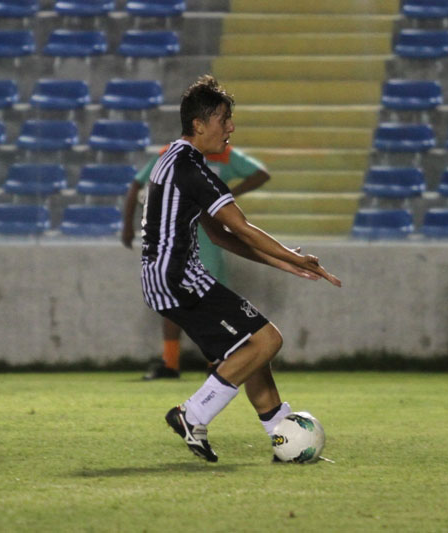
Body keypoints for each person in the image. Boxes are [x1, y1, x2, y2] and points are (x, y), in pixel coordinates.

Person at [139, 75, 341, 462]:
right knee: (267, 340)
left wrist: (284, 262)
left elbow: (221, 237)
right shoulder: (190, 168)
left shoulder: (178, 159)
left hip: (164, 275)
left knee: (249, 351)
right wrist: (293, 257)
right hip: (176, 275)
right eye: (223, 119)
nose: (230, 127)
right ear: (198, 125)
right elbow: (242, 228)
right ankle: (191, 414)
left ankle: (283, 436)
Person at [123, 143, 270, 380]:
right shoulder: (173, 157)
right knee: (175, 303)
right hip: (176, 242)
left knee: (209, 302)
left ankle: (215, 362)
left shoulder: (224, 154)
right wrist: (127, 225)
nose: (227, 128)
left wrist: (227, 197)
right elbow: (137, 185)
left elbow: (261, 174)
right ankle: (173, 363)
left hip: (208, 241)